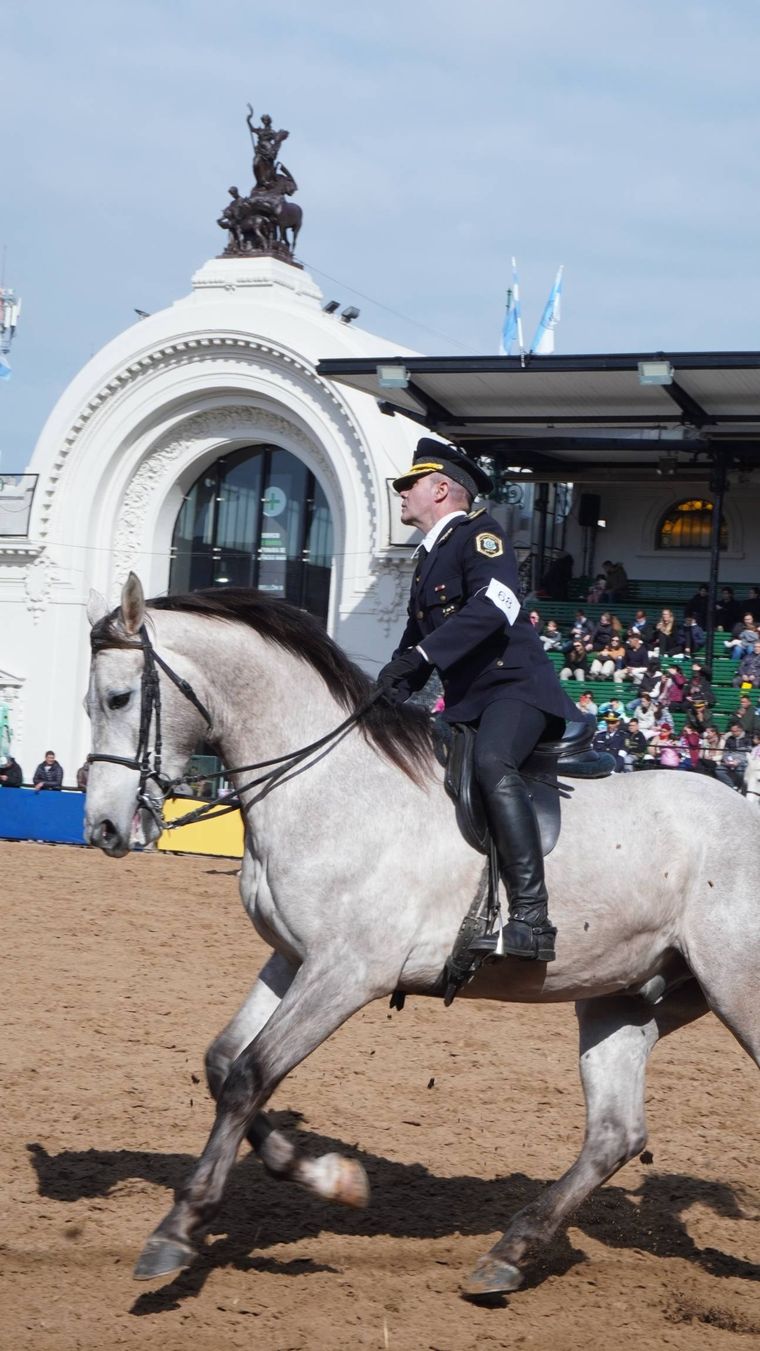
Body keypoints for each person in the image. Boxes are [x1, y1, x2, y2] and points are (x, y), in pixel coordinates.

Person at [377, 437, 579, 962]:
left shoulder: (481, 535)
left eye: (409, 485)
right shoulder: (428, 558)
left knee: (493, 762)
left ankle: (533, 918)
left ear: (441, 489)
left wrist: (420, 657)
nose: (401, 494)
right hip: (468, 700)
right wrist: (391, 681)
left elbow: (496, 603)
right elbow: (416, 633)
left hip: (515, 689)